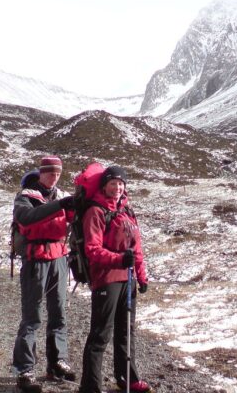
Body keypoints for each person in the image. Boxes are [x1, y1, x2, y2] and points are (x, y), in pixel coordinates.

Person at [78, 165, 151, 393]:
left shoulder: (128, 211)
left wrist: (142, 276)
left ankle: (127, 378)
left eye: (121, 184)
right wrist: (119, 260)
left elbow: (136, 249)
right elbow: (92, 249)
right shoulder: (96, 212)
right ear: (104, 186)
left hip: (127, 280)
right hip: (106, 279)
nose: (118, 187)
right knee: (100, 334)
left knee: (125, 332)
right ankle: (90, 386)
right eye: (113, 183)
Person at [11, 155, 76, 393]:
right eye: (50, 172)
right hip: (36, 261)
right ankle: (24, 370)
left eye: (58, 173)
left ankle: (57, 362)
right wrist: (61, 205)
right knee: (32, 317)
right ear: (41, 172)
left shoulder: (61, 196)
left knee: (58, 313)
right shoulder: (25, 196)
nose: (54, 176)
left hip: (59, 259)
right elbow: (27, 218)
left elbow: (74, 222)